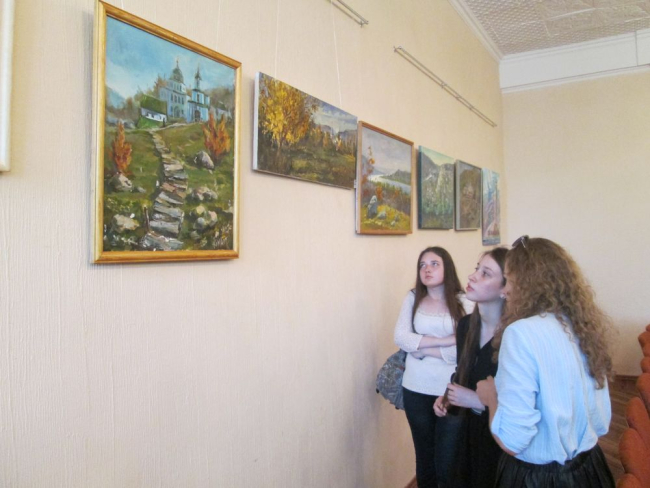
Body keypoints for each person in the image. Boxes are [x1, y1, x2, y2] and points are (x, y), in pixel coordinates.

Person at [476, 236, 615, 487]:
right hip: (590, 469)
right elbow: (601, 421)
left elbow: (512, 441)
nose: (504, 291)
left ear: (528, 284)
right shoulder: (581, 325)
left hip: (538, 478)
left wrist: (491, 397)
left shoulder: (520, 334)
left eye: (509, 280)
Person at [394, 246, 469, 488]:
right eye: (422, 265)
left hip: (450, 389)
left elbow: (466, 348)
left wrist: (423, 348)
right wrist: (447, 340)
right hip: (415, 387)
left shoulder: (465, 301)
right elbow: (402, 338)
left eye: (434, 264)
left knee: (448, 459)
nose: (427, 269)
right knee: (424, 457)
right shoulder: (413, 297)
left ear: (448, 267)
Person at [433, 247, 508, 488]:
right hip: (468, 433)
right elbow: (464, 372)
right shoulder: (466, 325)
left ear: (506, 288)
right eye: (477, 269)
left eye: (486, 273)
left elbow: (524, 403)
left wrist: (477, 401)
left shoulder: (515, 335)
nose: (472, 276)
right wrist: (449, 397)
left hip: (500, 440)